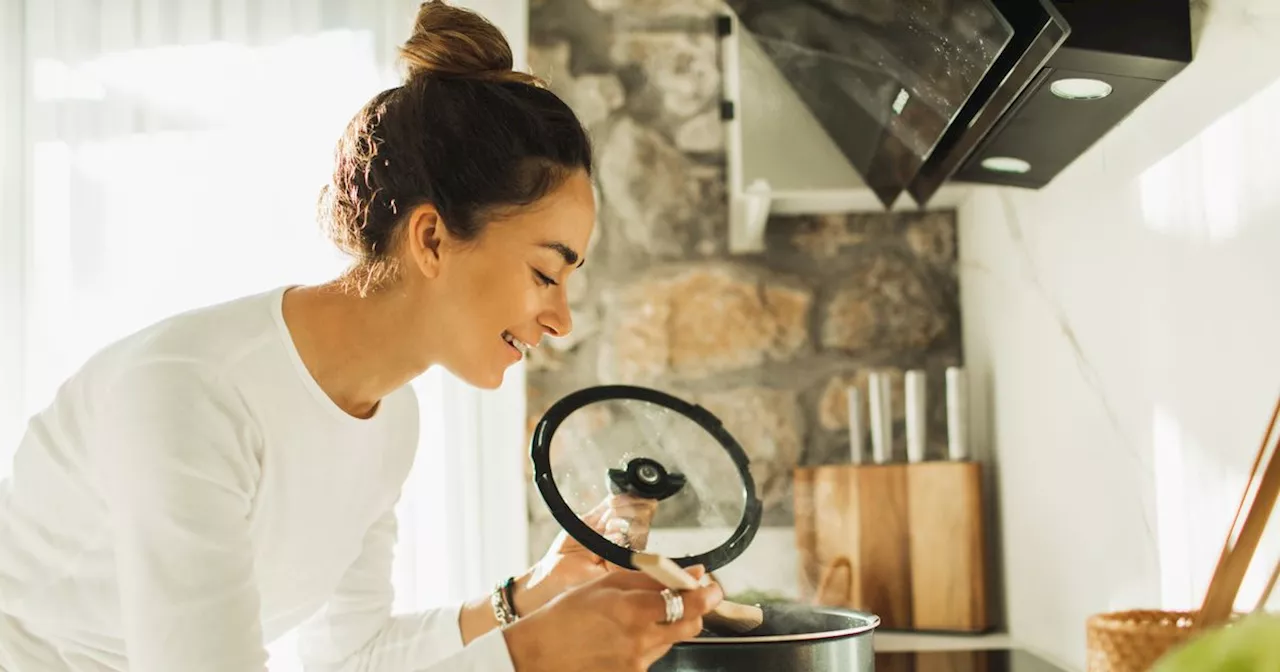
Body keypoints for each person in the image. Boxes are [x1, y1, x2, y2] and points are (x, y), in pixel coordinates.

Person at [0, 1, 722, 670]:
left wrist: (526, 598)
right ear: (432, 238)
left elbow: (352, 655)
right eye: (544, 272)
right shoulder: (186, 395)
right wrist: (527, 655)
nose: (561, 318)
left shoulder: (388, 418)